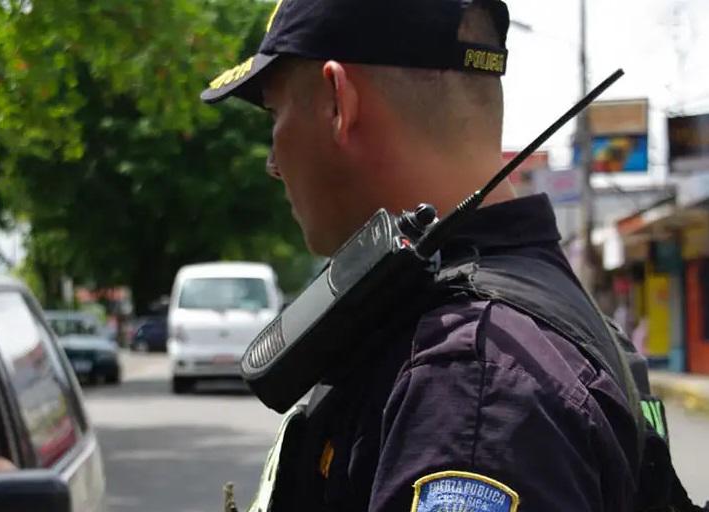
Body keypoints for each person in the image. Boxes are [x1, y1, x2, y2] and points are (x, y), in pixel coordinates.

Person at [200, 0, 652, 510]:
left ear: (336, 103)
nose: (274, 164)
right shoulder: (520, 310)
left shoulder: (469, 387)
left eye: (276, 115)